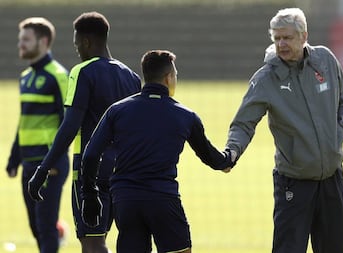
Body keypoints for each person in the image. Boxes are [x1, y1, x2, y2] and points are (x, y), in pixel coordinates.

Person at [79, 50, 236, 253]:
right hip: (162, 199)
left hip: (125, 200)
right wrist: (227, 160)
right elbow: (210, 157)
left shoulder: (117, 110)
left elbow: (91, 155)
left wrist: (90, 195)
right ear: (168, 77)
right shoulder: (185, 115)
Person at [224, 8, 343, 253]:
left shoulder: (325, 60)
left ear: (304, 36)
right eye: (276, 38)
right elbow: (243, 123)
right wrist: (232, 151)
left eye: (287, 38)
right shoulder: (265, 79)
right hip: (294, 183)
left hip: (332, 179)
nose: (281, 44)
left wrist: (339, 134)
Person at [27, 12, 142, 253]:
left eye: (77, 43)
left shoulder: (82, 72)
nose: (77, 48)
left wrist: (43, 169)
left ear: (87, 41)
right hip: (124, 171)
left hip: (90, 172)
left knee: (92, 244)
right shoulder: (131, 77)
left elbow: (70, 126)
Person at [5, 17, 70, 253]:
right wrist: (14, 158)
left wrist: (54, 160)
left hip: (49, 163)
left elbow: (68, 122)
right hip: (28, 163)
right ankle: (56, 236)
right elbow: (24, 121)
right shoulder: (25, 77)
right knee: (36, 227)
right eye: (20, 39)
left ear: (43, 41)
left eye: (26, 40)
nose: (20, 45)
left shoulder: (59, 75)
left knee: (44, 226)